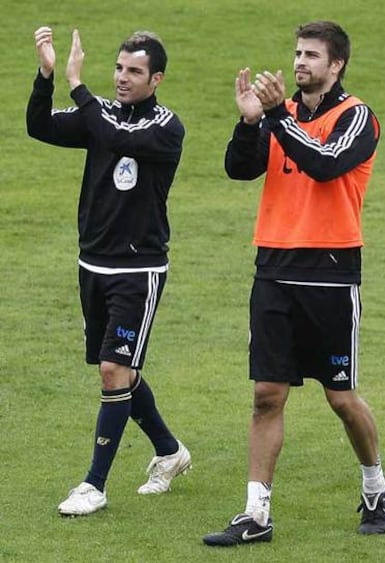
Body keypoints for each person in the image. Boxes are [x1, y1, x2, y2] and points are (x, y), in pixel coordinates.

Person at [203, 21, 385, 547]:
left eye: (312, 55)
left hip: (330, 273)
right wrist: (248, 124)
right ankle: (255, 515)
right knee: (266, 395)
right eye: (297, 52)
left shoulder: (356, 117)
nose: (301, 61)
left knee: (341, 397)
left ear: (337, 66)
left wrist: (278, 115)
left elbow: (326, 165)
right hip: (274, 271)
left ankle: (374, 485)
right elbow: (240, 169)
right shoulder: (278, 117)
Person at [27, 26, 191, 516]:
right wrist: (47, 75)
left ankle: (94, 485)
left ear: (155, 79)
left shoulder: (165, 126)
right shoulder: (100, 114)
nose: (122, 78)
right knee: (120, 369)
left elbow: (117, 136)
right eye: (119, 68)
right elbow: (40, 126)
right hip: (91, 263)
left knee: (113, 369)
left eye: (134, 71)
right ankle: (169, 451)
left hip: (138, 270)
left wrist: (79, 89)